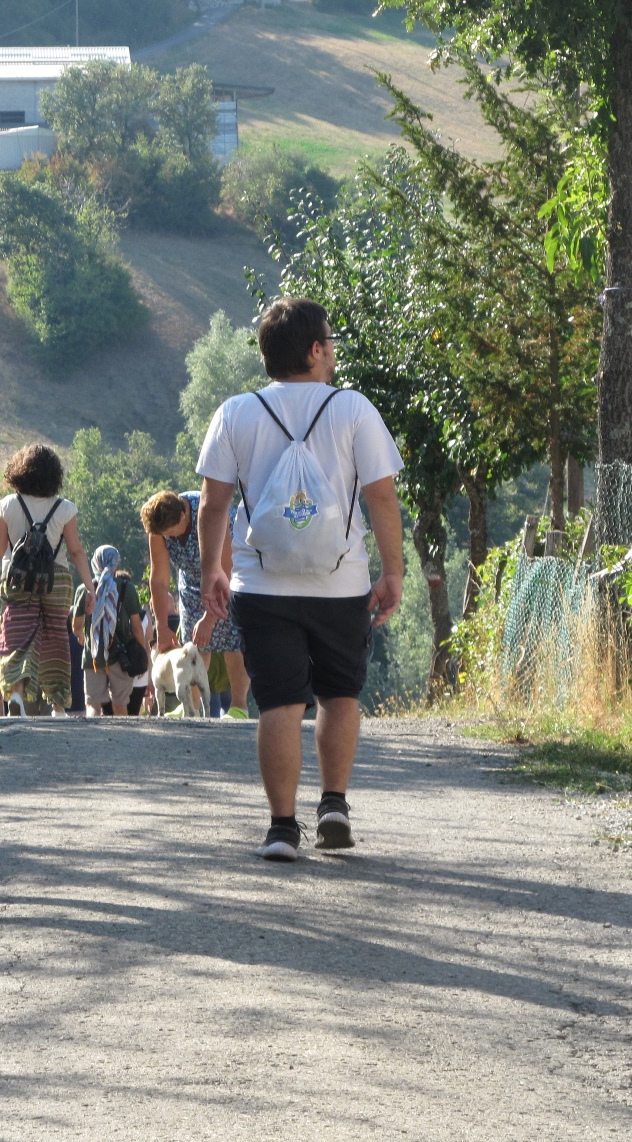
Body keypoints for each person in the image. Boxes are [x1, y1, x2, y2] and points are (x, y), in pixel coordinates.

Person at [195, 296, 405, 862]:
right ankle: (333, 803)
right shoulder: (354, 409)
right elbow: (380, 496)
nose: (333, 351)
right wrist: (393, 571)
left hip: (262, 586)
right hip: (341, 583)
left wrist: (214, 567)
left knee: (279, 704)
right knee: (340, 694)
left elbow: (214, 503)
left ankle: (282, 829)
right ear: (315, 350)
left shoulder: (235, 412)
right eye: (330, 342)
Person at [0, 444, 95, 716]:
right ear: (55, 475)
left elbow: (0, 548)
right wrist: (90, 587)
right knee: (55, 638)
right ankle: (58, 705)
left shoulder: (8, 505)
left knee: (17, 635)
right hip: (57, 578)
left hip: (17, 579)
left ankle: (16, 695)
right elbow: (75, 551)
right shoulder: (65, 509)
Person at [141, 489, 251, 718]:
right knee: (194, 643)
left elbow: (226, 571)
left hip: (232, 574)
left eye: (171, 533)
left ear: (183, 516)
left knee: (232, 640)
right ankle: (190, 704)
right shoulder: (159, 528)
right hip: (192, 580)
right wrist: (161, 625)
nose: (168, 538)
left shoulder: (209, 516)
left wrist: (210, 619)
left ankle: (239, 707)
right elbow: (159, 580)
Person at [70, 545, 146, 716]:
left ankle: (94, 741)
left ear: (95, 563)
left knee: (93, 705)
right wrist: (143, 656)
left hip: (93, 657)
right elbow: (136, 628)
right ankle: (120, 741)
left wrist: (82, 636)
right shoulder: (127, 588)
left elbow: (76, 625)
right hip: (121, 657)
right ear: (115, 564)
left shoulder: (84, 590)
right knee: (120, 705)